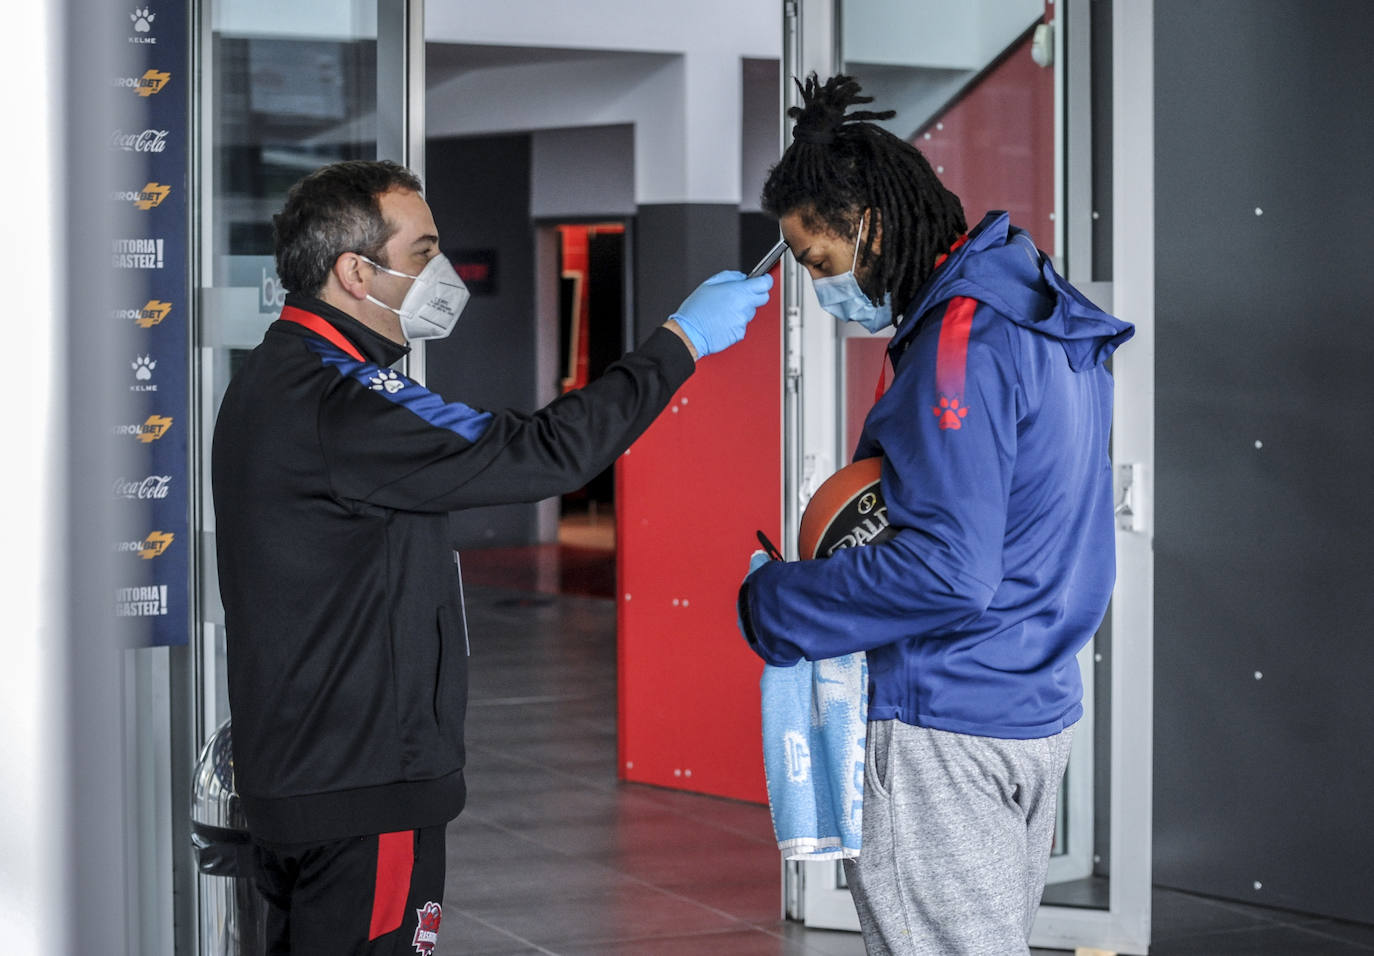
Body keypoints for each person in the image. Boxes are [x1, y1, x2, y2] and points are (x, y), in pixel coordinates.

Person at [211, 159, 772, 954]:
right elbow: (545, 453)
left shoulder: (271, 376)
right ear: (353, 271)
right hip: (364, 786)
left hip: (303, 773)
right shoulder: (343, 401)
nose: (440, 274)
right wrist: (679, 343)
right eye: (421, 254)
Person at [736, 74, 1134, 955]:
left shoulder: (959, 346)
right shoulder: (1040, 311)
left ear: (869, 225)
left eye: (817, 262)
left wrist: (776, 605)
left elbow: (947, 571)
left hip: (943, 719)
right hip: (1033, 706)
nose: (818, 287)